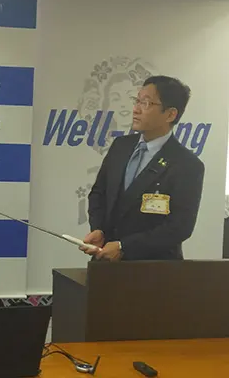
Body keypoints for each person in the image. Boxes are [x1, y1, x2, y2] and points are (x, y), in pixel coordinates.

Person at [81, 75, 205, 261]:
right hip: (106, 260)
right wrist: (98, 229)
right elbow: (99, 193)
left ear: (170, 114)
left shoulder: (186, 164)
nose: (136, 109)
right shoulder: (121, 146)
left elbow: (180, 227)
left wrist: (124, 247)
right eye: (137, 101)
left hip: (153, 268)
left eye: (146, 103)